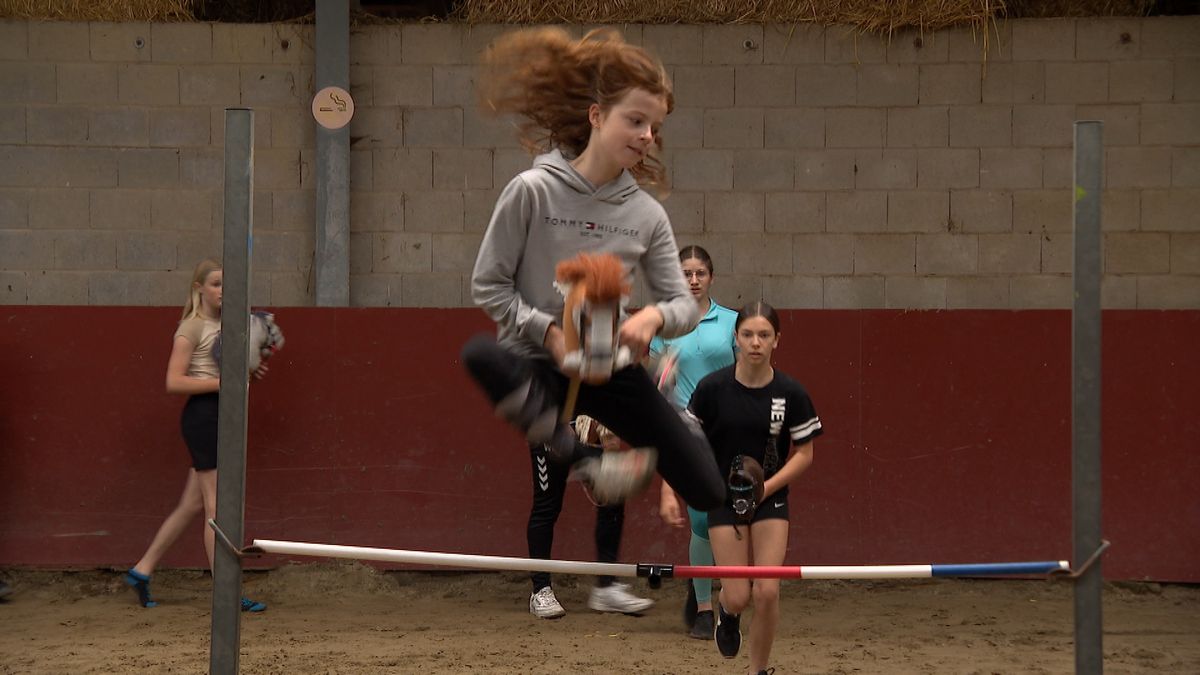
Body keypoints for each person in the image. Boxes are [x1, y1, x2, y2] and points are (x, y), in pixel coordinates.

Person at [460, 27, 725, 513]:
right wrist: (550, 335)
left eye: (655, 127)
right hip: (541, 363)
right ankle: (581, 458)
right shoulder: (531, 191)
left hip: (611, 366)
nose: (647, 136)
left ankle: (670, 421)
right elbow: (488, 285)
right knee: (480, 353)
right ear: (597, 116)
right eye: (636, 120)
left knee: (709, 491)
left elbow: (683, 304)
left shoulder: (645, 214)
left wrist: (652, 319)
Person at [124, 258, 268, 613]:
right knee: (217, 509)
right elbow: (173, 381)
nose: (224, 291)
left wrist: (248, 372)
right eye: (217, 283)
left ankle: (141, 571)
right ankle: (227, 594)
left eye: (228, 285)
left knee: (192, 505)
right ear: (199, 288)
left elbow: (225, 372)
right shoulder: (191, 326)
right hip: (205, 417)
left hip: (223, 414)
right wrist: (223, 383)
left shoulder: (229, 326)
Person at [687, 301, 823, 675]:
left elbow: (805, 454)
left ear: (777, 340)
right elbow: (686, 441)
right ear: (736, 338)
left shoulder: (790, 393)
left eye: (764, 335)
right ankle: (727, 614)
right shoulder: (712, 389)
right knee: (738, 595)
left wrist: (766, 488)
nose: (755, 342)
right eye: (747, 334)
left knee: (767, 591)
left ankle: (758, 670)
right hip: (723, 498)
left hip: (770, 498)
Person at [651, 245, 737, 639]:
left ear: (711, 277)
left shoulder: (733, 322)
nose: (693, 280)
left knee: (731, 519)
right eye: (686, 273)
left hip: (730, 429)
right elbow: (658, 383)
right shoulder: (665, 326)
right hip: (687, 431)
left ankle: (724, 599)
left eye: (700, 272)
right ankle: (705, 607)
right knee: (701, 519)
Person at [527, 415, 654, 619]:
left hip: (587, 426)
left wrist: (606, 432)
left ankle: (606, 588)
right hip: (549, 427)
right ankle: (540, 590)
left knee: (614, 489)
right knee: (546, 507)